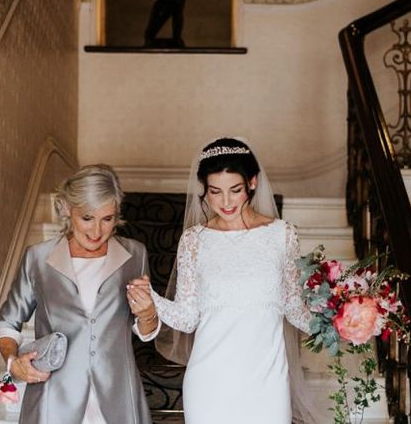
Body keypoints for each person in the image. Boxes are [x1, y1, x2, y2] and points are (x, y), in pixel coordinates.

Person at [126, 137, 318, 424]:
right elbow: (188, 318)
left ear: (252, 183)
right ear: (204, 189)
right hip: (209, 381)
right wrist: (151, 299)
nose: (225, 202)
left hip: (267, 381)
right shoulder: (194, 240)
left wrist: (337, 318)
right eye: (215, 191)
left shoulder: (283, 234)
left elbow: (293, 306)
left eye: (235, 190)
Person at [0, 165, 159, 424]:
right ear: (68, 209)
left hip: (118, 399)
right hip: (53, 398)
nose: (97, 232)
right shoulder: (38, 258)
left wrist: (148, 314)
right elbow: (6, 323)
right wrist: (13, 362)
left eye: (108, 219)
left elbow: (145, 331)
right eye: (87, 218)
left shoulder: (135, 255)